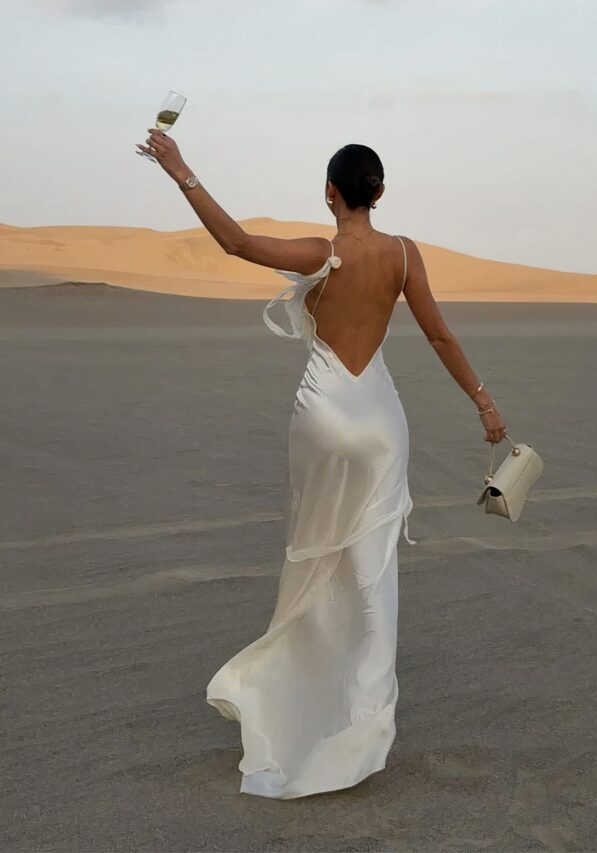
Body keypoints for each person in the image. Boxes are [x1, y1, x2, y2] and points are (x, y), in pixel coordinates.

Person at [136, 130, 508, 799]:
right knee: (372, 571)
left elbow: (238, 244)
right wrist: (483, 402)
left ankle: (297, 692)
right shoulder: (402, 254)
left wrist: (180, 170)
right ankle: (362, 723)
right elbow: (439, 333)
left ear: (331, 194)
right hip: (380, 424)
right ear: (381, 193)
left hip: (324, 418)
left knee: (313, 557)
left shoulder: (323, 252)